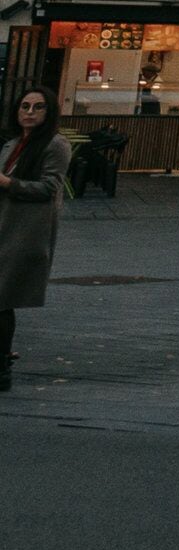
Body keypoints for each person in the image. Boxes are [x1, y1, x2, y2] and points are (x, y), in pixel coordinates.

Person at [1, 88, 68, 389]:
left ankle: (2, 367)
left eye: (38, 107)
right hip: (4, 226)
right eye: (25, 106)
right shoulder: (13, 144)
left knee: (2, 298)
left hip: (25, 232)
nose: (29, 112)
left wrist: (7, 182)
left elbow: (48, 188)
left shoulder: (55, 145)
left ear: (48, 112)